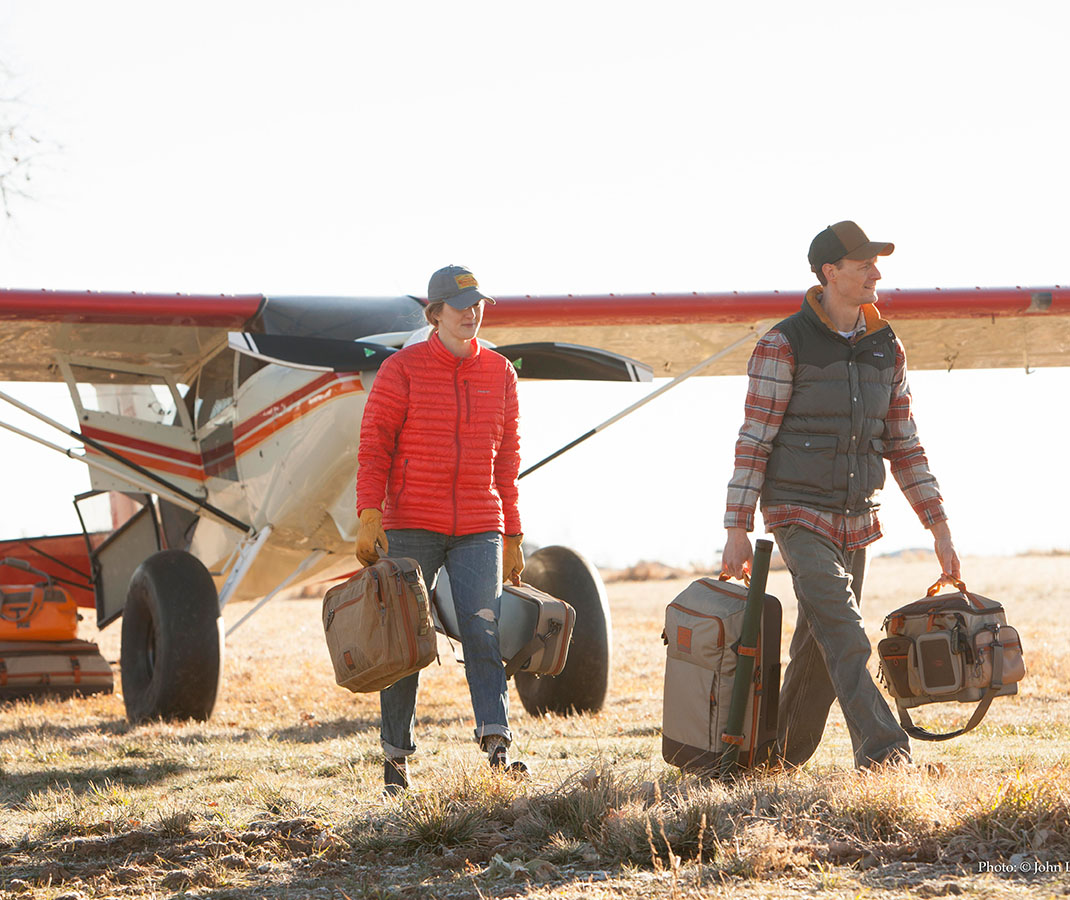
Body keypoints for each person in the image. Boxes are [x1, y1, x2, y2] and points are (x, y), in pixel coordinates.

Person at [721, 221, 961, 769]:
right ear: (831, 273)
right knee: (846, 632)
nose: (876, 273)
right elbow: (754, 439)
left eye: (876, 264)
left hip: (858, 517)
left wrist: (939, 526)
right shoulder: (782, 344)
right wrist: (737, 526)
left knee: (815, 647)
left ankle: (773, 761)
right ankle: (884, 753)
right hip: (796, 512)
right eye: (863, 265)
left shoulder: (887, 347)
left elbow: (905, 443)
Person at [354, 264, 526, 794]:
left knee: (484, 628)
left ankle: (497, 746)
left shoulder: (500, 373)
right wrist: (369, 512)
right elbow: (375, 442)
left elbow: (508, 460)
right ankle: (395, 763)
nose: (472, 313)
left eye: (477, 303)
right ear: (435, 313)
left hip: (480, 523)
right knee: (405, 642)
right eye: (460, 305)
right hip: (411, 524)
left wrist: (513, 531)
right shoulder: (401, 371)